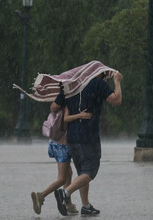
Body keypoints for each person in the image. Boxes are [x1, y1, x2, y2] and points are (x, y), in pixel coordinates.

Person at [53, 71, 123, 216]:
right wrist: (117, 81)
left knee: (82, 172)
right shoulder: (98, 83)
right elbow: (116, 100)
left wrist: (69, 105)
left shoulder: (72, 85)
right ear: (100, 74)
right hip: (88, 137)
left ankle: (86, 206)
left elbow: (54, 107)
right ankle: (65, 194)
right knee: (90, 171)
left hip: (72, 137)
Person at [30, 93, 93, 215]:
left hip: (55, 143)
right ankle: (41, 196)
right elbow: (66, 119)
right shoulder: (68, 102)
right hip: (62, 146)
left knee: (68, 173)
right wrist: (81, 115)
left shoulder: (58, 103)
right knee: (62, 178)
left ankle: (68, 204)